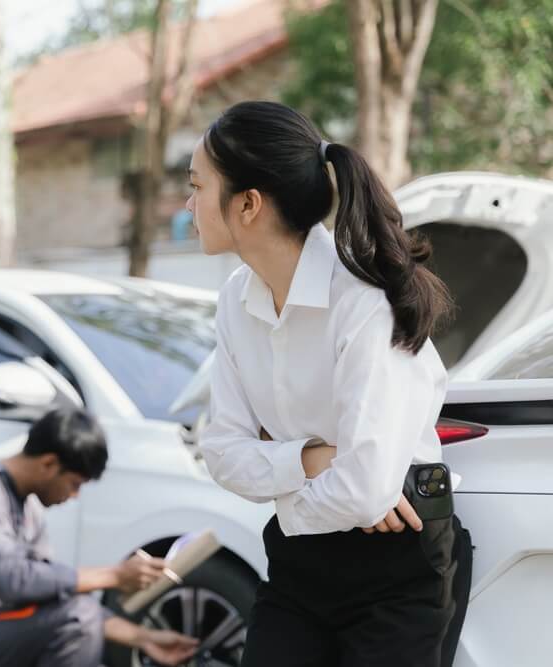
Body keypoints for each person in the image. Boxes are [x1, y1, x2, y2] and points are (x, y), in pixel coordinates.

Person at [185, 100, 471, 667]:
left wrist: (282, 475)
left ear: (248, 205)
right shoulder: (235, 301)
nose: (188, 205)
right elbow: (219, 451)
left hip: (398, 566)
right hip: (299, 571)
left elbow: (367, 489)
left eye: (196, 187)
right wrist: (317, 460)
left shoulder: (363, 301)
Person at [0, 406, 199, 667]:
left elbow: (51, 595)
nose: (73, 496)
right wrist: (116, 575)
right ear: (48, 464)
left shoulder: (28, 507)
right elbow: (16, 580)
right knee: (78, 622)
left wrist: (143, 638)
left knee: (82, 628)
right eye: (74, 484)